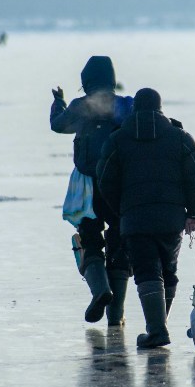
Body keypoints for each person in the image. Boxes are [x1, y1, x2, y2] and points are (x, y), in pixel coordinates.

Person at [97, 88, 195, 349]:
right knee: (167, 271)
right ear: (160, 108)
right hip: (171, 220)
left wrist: (121, 210)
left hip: (135, 219)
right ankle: (158, 328)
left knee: (147, 271)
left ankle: (157, 331)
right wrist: (194, 213)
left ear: (135, 108)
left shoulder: (118, 139)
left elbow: (105, 180)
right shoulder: (180, 137)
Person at [51, 56, 134, 325]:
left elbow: (58, 125)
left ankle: (100, 290)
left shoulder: (80, 106)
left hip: (86, 183)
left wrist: (58, 102)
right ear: (111, 79)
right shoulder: (125, 105)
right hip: (120, 184)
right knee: (120, 242)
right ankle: (116, 315)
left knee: (89, 238)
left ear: (86, 81)